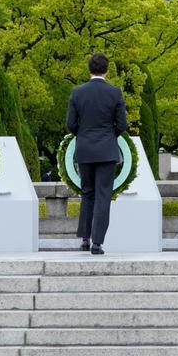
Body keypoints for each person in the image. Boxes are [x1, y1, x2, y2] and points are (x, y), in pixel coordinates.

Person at [66, 52, 128, 255]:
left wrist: (83, 135)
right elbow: (122, 124)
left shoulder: (77, 92)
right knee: (103, 195)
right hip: (106, 150)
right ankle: (97, 242)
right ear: (107, 70)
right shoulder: (115, 92)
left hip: (84, 149)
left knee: (87, 193)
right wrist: (110, 136)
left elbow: (70, 124)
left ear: (89, 69)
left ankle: (85, 238)